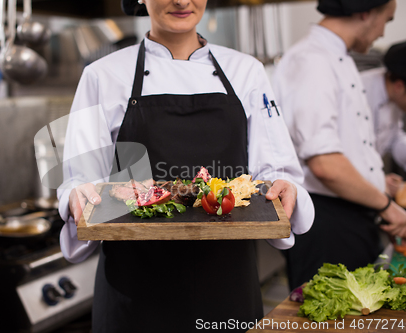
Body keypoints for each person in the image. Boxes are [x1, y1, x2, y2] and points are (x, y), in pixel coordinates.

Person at [59, 0, 314, 332]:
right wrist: (76, 196)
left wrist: (284, 188)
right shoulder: (100, 75)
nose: (181, 1)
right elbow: (80, 178)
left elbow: (276, 170)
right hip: (134, 286)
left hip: (226, 281)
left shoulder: (246, 71)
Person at [272, 0, 406, 291]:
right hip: (327, 221)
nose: (383, 32)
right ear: (365, 12)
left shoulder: (336, 57)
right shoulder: (312, 60)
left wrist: (377, 184)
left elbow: (348, 148)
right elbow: (325, 165)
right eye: (387, 19)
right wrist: (389, 208)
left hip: (352, 214)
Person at [360, 41, 406, 198]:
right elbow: (347, 154)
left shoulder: (394, 95)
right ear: (399, 86)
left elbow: (395, 138)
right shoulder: (360, 91)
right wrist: (378, 180)